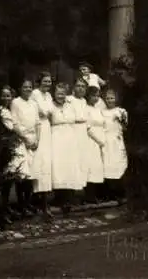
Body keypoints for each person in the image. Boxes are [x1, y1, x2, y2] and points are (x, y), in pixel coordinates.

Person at [10, 80, 40, 218]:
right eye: (25, 87)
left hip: (33, 139)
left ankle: (28, 203)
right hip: (21, 139)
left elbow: (38, 123)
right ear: (20, 88)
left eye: (30, 87)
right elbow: (14, 123)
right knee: (22, 172)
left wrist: (37, 139)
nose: (28, 89)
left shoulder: (34, 103)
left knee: (32, 173)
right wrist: (25, 138)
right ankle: (21, 204)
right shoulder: (16, 102)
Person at [50, 83, 80, 214]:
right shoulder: (50, 106)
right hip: (56, 138)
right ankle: (59, 198)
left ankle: (69, 198)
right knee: (59, 167)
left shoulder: (70, 105)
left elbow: (76, 119)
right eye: (58, 93)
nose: (60, 96)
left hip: (69, 138)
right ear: (54, 94)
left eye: (63, 93)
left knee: (70, 166)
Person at [29, 72, 54, 218]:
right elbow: (41, 112)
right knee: (37, 162)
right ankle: (36, 200)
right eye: (45, 81)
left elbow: (50, 113)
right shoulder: (35, 94)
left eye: (49, 82)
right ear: (39, 82)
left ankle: (43, 200)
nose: (47, 84)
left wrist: (47, 114)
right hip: (37, 128)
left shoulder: (49, 96)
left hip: (47, 129)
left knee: (46, 163)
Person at [0, 85, 24, 223]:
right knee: (5, 179)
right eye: (3, 95)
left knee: (11, 178)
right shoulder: (0, 111)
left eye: (8, 96)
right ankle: (2, 210)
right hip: (4, 145)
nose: (6, 98)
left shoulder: (11, 109)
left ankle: (6, 207)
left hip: (12, 144)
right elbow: (10, 127)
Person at [101, 89, 128, 202]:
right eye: (107, 98)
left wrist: (121, 121)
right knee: (107, 165)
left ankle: (120, 192)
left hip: (117, 140)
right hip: (106, 140)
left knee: (119, 165)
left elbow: (126, 128)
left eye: (112, 98)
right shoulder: (102, 111)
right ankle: (109, 193)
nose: (110, 100)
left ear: (115, 99)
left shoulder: (121, 111)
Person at [67, 79, 90, 200]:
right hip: (72, 131)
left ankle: (79, 193)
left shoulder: (84, 101)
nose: (80, 88)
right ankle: (68, 194)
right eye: (78, 86)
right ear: (74, 87)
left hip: (82, 133)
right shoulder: (69, 99)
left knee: (82, 161)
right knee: (72, 162)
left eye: (83, 86)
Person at [84, 86, 105, 203]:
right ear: (88, 96)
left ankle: (97, 194)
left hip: (100, 139)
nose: (96, 98)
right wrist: (99, 140)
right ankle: (89, 195)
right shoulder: (86, 108)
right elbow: (88, 128)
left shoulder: (97, 109)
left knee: (98, 168)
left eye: (97, 96)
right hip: (91, 140)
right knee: (91, 167)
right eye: (93, 95)